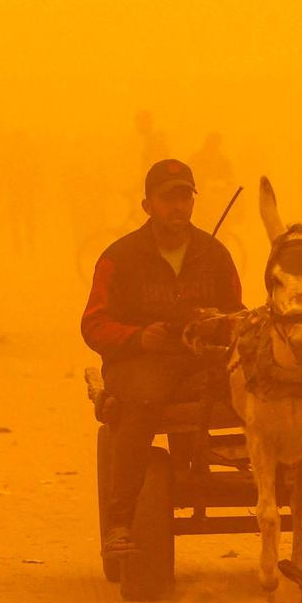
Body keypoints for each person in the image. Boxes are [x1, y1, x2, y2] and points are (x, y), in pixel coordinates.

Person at [81, 159, 244, 555]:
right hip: (140, 363)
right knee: (143, 402)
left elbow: (237, 315)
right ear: (147, 205)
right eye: (168, 198)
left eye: (185, 197)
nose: (178, 207)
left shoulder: (215, 253)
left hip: (201, 361)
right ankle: (120, 521)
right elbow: (93, 324)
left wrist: (216, 325)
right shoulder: (118, 257)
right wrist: (138, 338)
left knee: (263, 385)